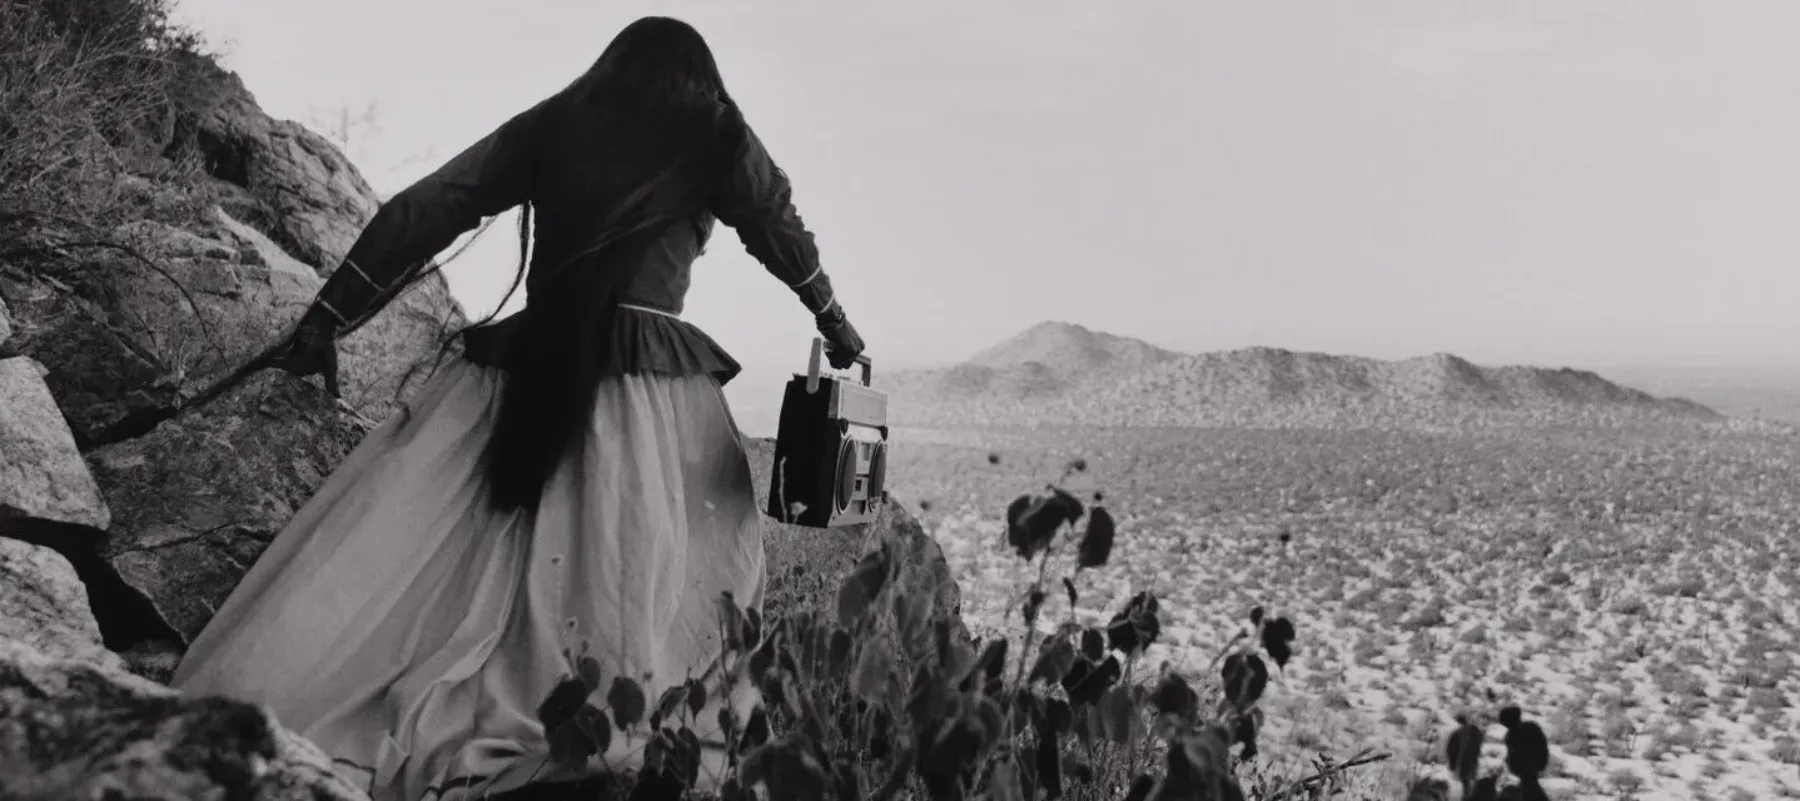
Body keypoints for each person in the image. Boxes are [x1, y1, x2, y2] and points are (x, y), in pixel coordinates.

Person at [169, 16, 864, 801]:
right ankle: (613, 725)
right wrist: (836, 325)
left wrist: (330, 315)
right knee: (656, 563)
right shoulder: (716, 131)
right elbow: (777, 224)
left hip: (528, 368)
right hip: (651, 389)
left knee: (445, 554)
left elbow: (432, 204)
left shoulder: (560, 120)